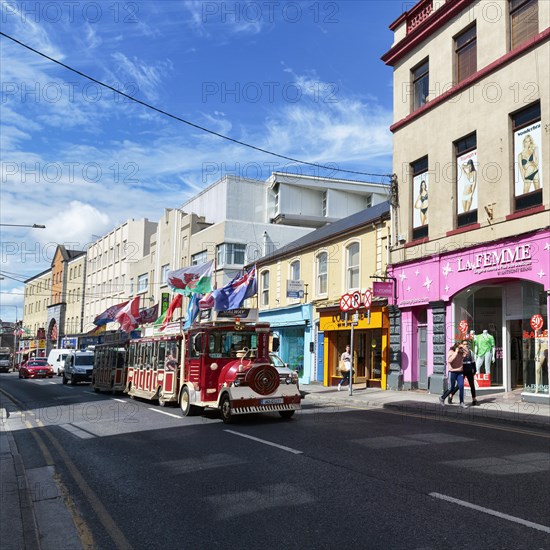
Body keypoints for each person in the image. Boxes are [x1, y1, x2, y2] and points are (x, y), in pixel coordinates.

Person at [448, 340, 479, 406]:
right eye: (464, 344)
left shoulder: (470, 352)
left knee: (472, 385)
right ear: (461, 345)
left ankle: (474, 399)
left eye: (466, 344)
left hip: (469, 370)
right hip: (462, 370)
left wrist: (475, 370)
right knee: (459, 385)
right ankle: (451, 395)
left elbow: (473, 362)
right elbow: (454, 360)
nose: (465, 345)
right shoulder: (460, 352)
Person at [439, 343, 468, 408]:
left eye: (461, 348)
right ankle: (442, 398)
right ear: (456, 347)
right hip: (452, 372)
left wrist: (464, 347)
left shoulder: (461, 353)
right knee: (451, 388)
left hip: (460, 372)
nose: (461, 349)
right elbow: (450, 360)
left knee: (461, 386)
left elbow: (467, 353)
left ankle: (461, 402)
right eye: (460, 348)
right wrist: (456, 352)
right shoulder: (451, 352)